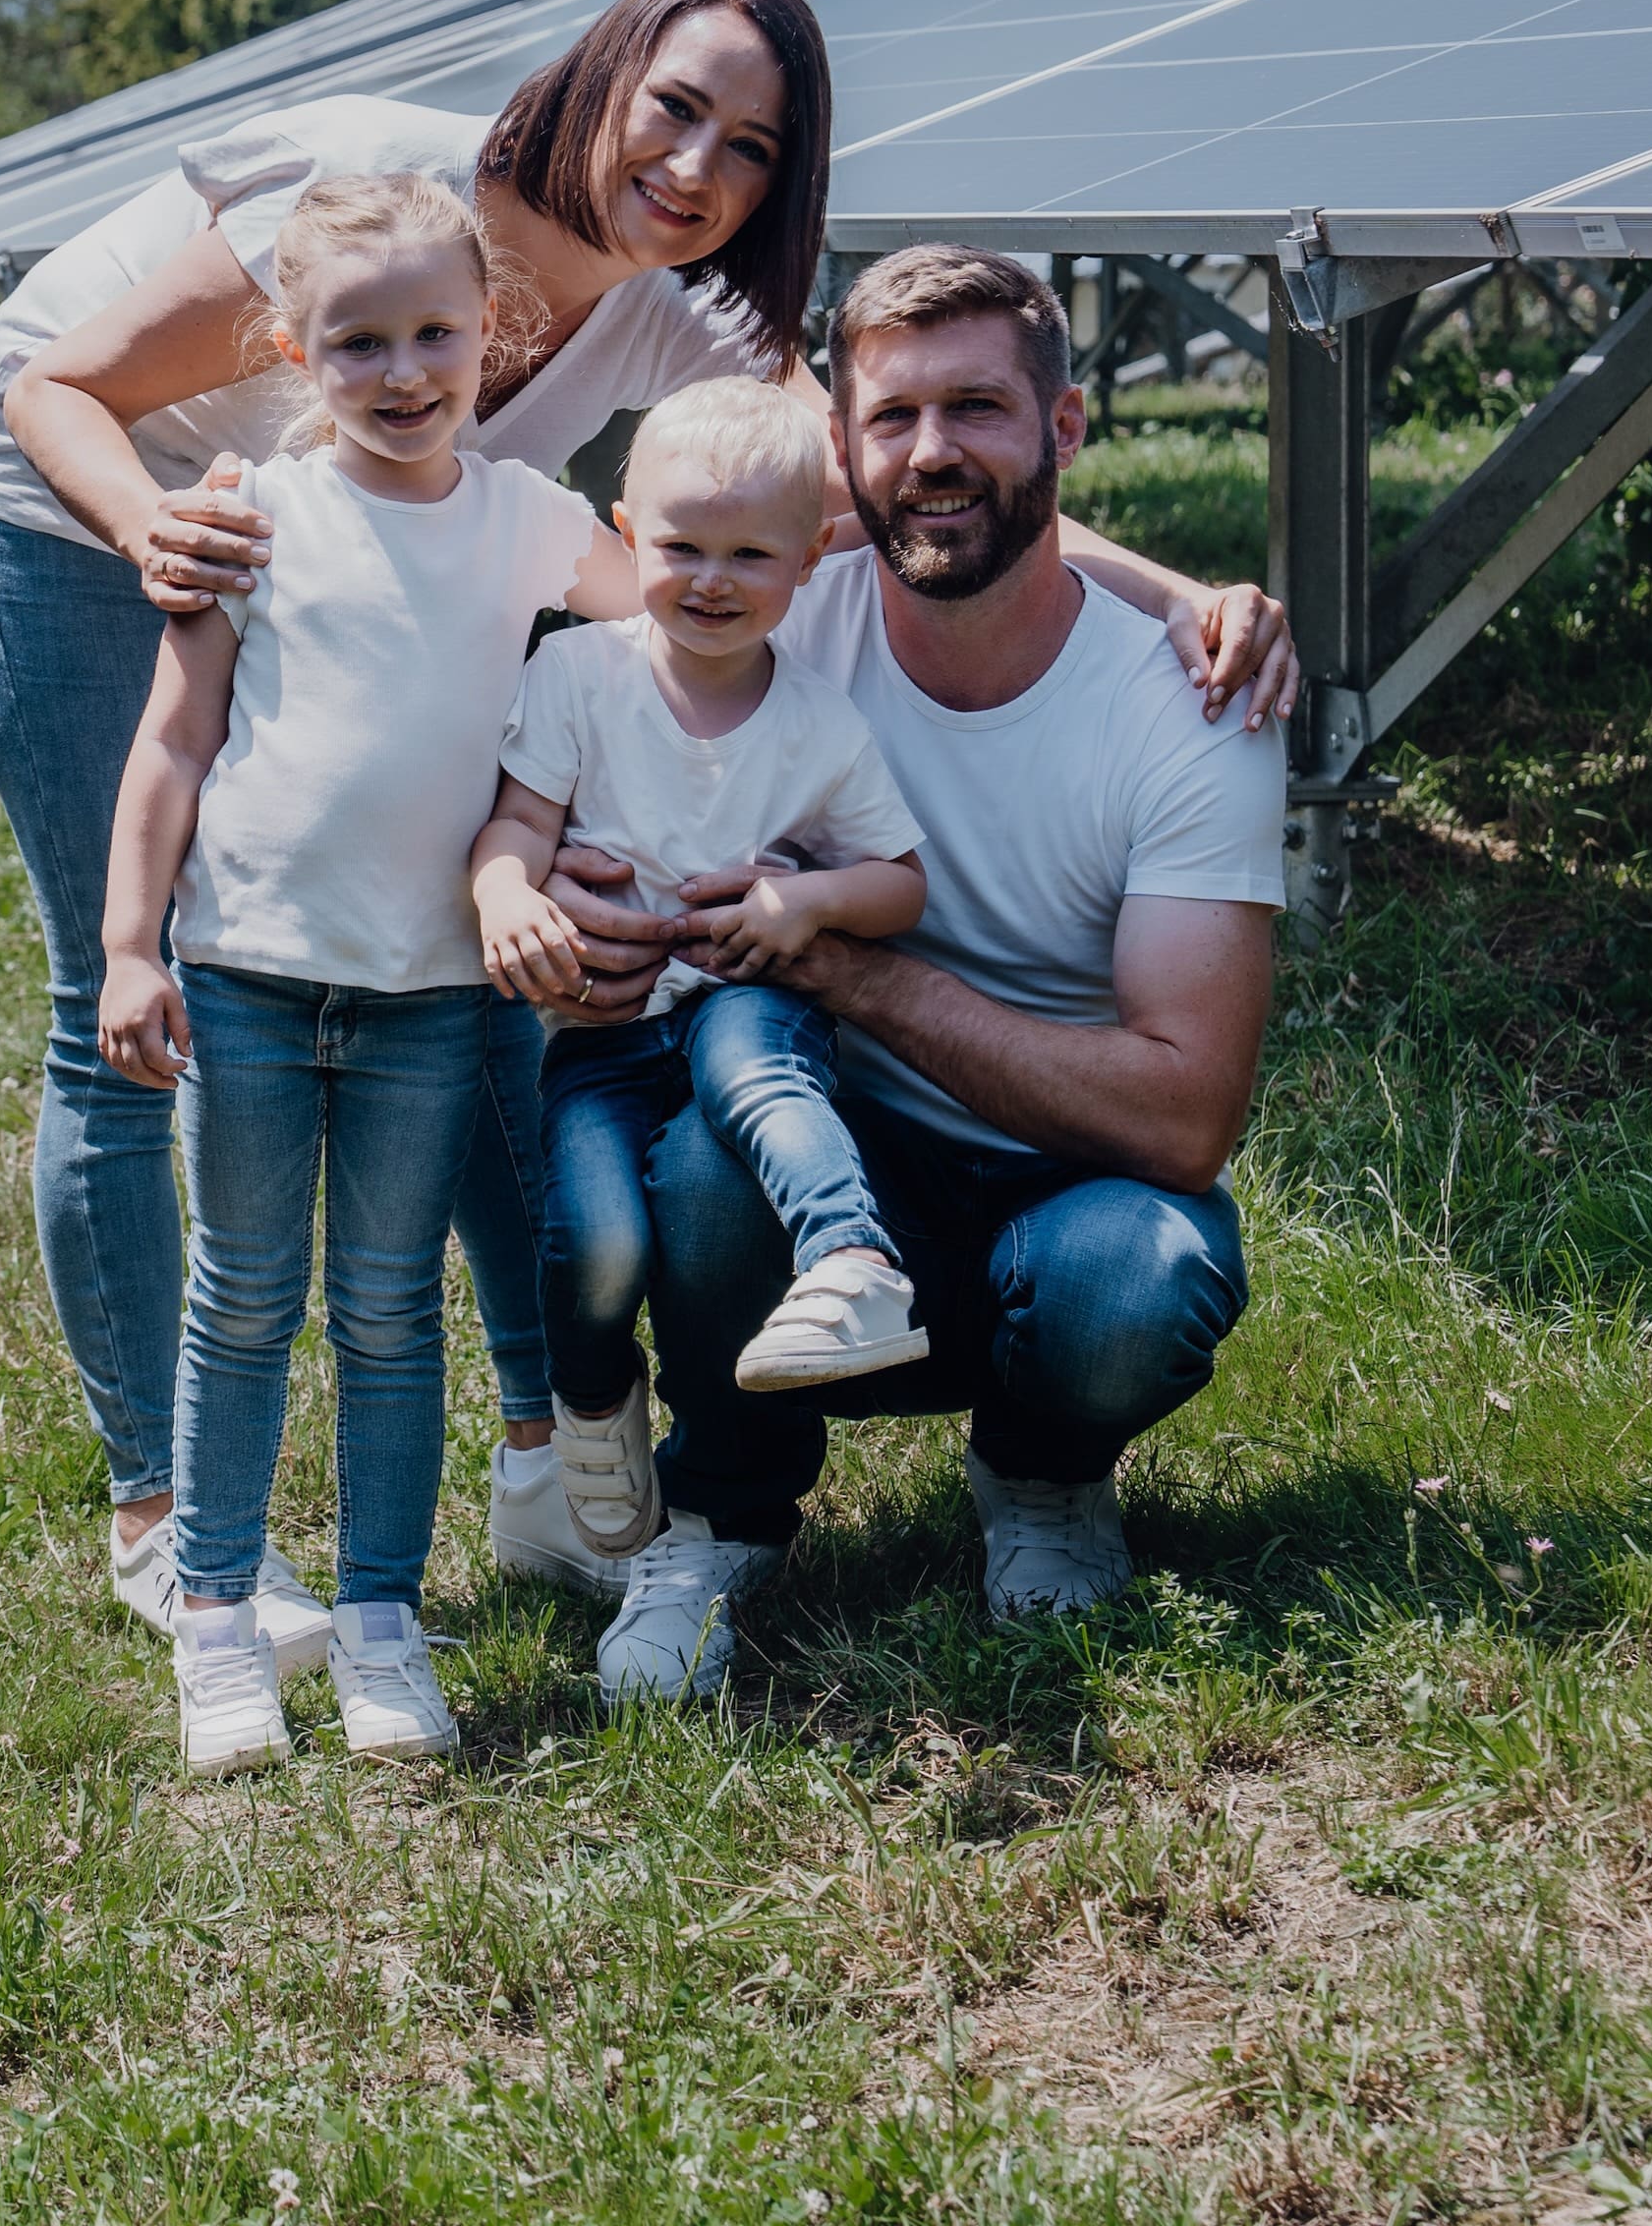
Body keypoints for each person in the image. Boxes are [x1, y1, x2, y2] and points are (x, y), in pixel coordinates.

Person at [0, 0, 1296, 1662]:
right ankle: (157, 1509)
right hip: (70, 509)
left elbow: (900, 477)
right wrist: (152, 532)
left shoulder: (678, 309)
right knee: (127, 989)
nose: (700, 166)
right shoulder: (388, 187)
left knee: (472, 957)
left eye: (753, 148)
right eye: (678, 106)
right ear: (604, 72)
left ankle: (539, 1445)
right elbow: (60, 382)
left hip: (357, 555)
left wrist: (1181, 594)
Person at [539, 244, 1286, 1712]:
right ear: (841, 454)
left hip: (1064, 1188)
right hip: (819, 1174)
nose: (933, 454)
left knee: (1150, 1276)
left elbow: (1189, 1121)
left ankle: (1044, 1475)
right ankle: (720, 1510)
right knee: (702, 1164)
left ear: (1063, 431)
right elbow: (565, 712)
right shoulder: (774, 608)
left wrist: (852, 975)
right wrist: (556, 875)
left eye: (980, 411)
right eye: (894, 418)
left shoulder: (1193, 708)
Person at [92, 173, 638, 1770]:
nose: (403, 370)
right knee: (243, 1297)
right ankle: (215, 1618)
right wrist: (131, 945)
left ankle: (387, 1617)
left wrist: (586, 827)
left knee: (393, 1311)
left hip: (427, 998)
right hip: (253, 977)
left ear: (491, 331)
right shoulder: (255, 507)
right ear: (291, 344)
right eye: (358, 340)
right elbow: (174, 738)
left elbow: (657, 638)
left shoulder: (531, 514)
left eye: (433, 334)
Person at [469, 377, 936, 1454]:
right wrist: (502, 890)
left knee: (759, 1076)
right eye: (683, 546)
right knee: (595, 1238)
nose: (712, 581)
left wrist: (805, 898)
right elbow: (518, 823)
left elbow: (900, 880)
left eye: (752, 556)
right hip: (602, 1033)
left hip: (743, 992)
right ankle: (589, 1397)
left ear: (811, 559)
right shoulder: (579, 672)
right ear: (627, 534)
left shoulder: (817, 720)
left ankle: (851, 1258)